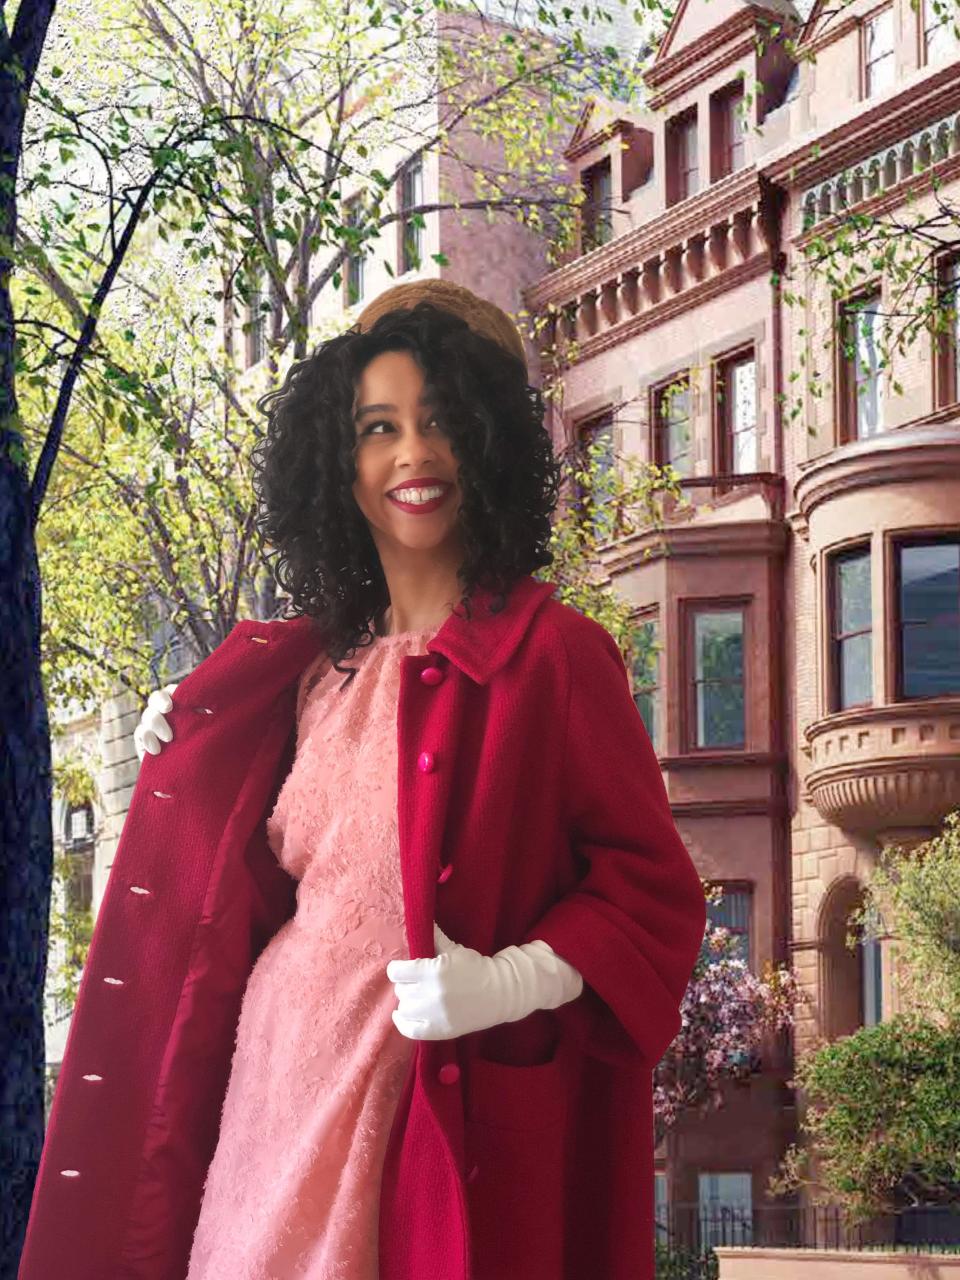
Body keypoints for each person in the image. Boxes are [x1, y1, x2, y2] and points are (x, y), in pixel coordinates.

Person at [19, 280, 706, 1280]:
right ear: (338, 462)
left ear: (491, 447)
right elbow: (251, 897)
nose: (412, 456)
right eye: (378, 426)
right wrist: (198, 760)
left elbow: (654, 892)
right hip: (278, 1075)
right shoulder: (307, 670)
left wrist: (512, 981)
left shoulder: (556, 656)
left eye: (440, 422)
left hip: (425, 1096)